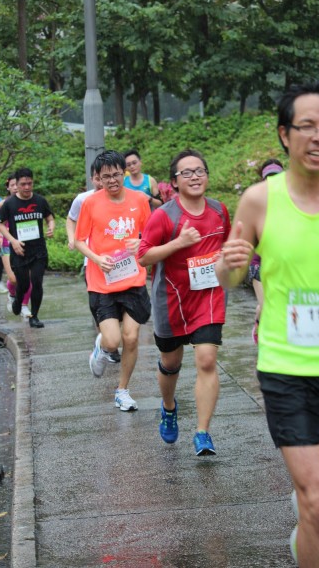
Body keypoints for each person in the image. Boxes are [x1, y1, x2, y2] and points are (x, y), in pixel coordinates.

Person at [215, 81, 319, 567]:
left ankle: (306, 531)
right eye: (307, 126)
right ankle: (309, 519)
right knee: (317, 500)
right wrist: (230, 263)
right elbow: (229, 276)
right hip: (288, 369)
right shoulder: (259, 200)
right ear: (285, 134)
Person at [138, 149, 231, 455]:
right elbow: (144, 256)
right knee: (171, 363)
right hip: (171, 299)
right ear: (175, 182)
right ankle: (168, 407)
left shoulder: (219, 211)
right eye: (186, 173)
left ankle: (202, 432)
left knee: (206, 359)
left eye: (199, 171)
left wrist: (227, 258)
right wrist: (179, 243)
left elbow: (227, 247)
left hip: (208, 297)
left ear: (207, 176)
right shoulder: (164, 215)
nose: (194, 177)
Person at [74, 150, 151, 411]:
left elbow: (150, 235)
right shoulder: (90, 203)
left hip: (132, 279)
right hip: (102, 283)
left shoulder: (139, 200)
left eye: (116, 174)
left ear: (124, 173)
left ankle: (122, 390)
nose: (112, 180)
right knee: (112, 340)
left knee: (131, 338)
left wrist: (140, 242)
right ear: (98, 178)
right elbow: (79, 241)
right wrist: (97, 259)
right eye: (106, 177)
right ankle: (101, 348)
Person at [66, 165, 121, 364]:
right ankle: (106, 342)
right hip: (92, 261)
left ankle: (108, 339)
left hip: (119, 261)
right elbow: (71, 219)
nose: (101, 182)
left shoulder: (120, 197)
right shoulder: (83, 199)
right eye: (98, 178)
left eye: (104, 177)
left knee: (119, 307)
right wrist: (72, 239)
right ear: (93, 179)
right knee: (99, 306)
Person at [0, 168, 55, 328]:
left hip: (38, 251)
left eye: (29, 183)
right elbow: (0, 224)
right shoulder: (9, 204)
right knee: (22, 284)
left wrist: (51, 227)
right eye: (23, 184)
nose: (27, 187)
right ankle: (17, 300)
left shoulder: (40, 201)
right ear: (16, 184)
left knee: (37, 282)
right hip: (19, 251)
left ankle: (34, 316)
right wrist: (12, 241)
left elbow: (50, 218)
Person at [248, 158, 284, 344]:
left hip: (282, 265)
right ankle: (262, 327)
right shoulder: (256, 204)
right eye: (269, 178)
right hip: (259, 264)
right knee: (268, 306)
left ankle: (260, 318)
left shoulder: (292, 203)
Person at [0, 174, 32, 318]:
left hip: (25, 243)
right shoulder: (2, 205)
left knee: (27, 277)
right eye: (12, 185)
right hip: (7, 244)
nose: (16, 187)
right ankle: (11, 294)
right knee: (14, 279)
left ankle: (24, 306)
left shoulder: (28, 202)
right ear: (8, 188)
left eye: (18, 184)